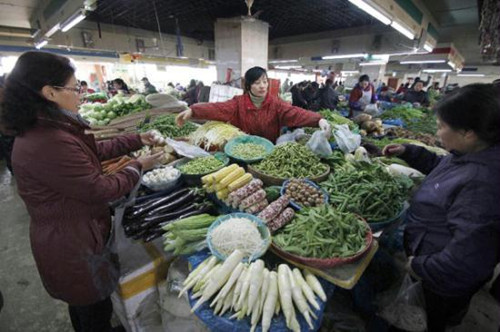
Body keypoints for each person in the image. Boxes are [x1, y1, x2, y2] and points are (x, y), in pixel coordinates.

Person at [0, 51, 164, 332]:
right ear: (49, 92)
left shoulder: (49, 127)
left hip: (71, 233)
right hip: (72, 244)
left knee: (85, 307)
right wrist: (138, 165)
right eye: (74, 88)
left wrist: (135, 138)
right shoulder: (48, 140)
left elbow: (92, 152)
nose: (81, 94)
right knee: (92, 310)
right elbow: (100, 189)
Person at [382, 83, 500, 332]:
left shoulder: (483, 184)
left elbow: (467, 259)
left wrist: (419, 266)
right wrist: (409, 151)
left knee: (422, 322)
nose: (437, 134)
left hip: (440, 282)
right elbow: (443, 166)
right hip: (432, 262)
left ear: (468, 132)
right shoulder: (471, 153)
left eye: (441, 126)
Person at [175, 66, 331, 143]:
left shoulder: (275, 103)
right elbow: (217, 108)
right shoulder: (238, 104)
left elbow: (295, 113)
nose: (263, 86)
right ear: (248, 86)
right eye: (257, 83)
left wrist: (318, 119)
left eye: (265, 81)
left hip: (269, 149)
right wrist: (193, 111)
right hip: (242, 149)